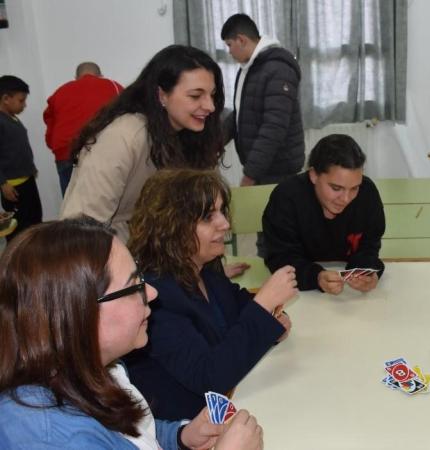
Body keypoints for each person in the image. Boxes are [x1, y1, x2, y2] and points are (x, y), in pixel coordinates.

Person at [0, 217, 264, 450]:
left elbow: (129, 437)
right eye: (133, 285)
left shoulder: (96, 369)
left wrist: (181, 437)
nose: (152, 293)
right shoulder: (51, 438)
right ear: (80, 314)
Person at [124, 169, 298, 421]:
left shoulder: (204, 268)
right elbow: (209, 377)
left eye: (222, 211)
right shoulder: (155, 296)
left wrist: (271, 321)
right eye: (208, 217)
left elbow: (240, 309)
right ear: (171, 226)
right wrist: (264, 307)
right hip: (190, 424)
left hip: (232, 398)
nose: (225, 224)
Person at [60, 45, 225, 243]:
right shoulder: (124, 136)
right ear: (162, 95)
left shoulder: (189, 135)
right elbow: (83, 228)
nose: (210, 106)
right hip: (111, 252)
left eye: (212, 95)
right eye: (195, 96)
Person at [262, 134, 385, 294]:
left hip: (349, 296)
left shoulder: (367, 193)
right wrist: (316, 277)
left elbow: (369, 246)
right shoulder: (286, 198)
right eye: (336, 188)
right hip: (300, 292)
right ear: (313, 175)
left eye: (354, 188)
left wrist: (366, 271)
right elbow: (280, 257)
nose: (346, 199)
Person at [220, 13, 304, 187]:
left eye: (229, 45)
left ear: (241, 40)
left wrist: (250, 175)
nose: (229, 52)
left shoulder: (278, 69)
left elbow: (274, 127)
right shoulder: (249, 69)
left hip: (278, 171)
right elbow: (241, 114)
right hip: (263, 168)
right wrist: (214, 143)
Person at [44, 62, 123, 194]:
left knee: (71, 200)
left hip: (66, 153)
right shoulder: (113, 86)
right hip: (101, 151)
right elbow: (128, 116)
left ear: (76, 77)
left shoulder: (60, 92)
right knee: (106, 198)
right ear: (100, 75)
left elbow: (50, 124)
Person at [0, 75, 42, 242]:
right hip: (13, 187)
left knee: (34, 220)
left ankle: (34, 253)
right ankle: (18, 256)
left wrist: (30, 167)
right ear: (6, 99)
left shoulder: (12, 118)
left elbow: (17, 148)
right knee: (18, 229)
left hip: (27, 180)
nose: (24, 105)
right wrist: (3, 183)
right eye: (21, 100)